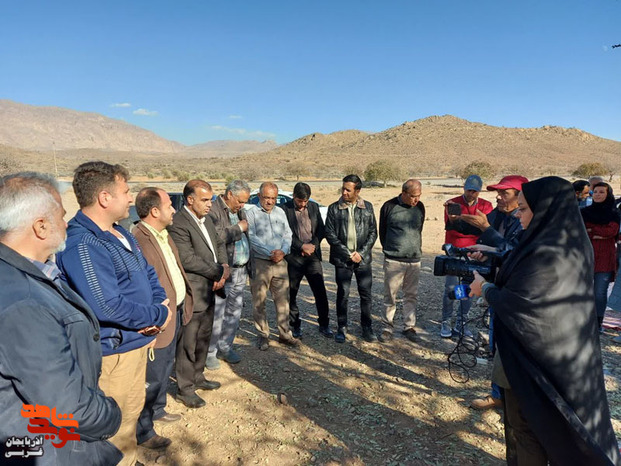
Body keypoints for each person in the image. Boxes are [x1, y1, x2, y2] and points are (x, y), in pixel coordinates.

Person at [469, 176, 620, 466]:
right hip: (566, 359)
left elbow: (521, 305)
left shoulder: (547, 252)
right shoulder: (568, 243)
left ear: (545, 209)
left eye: (523, 208)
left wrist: (484, 289)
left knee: (526, 430)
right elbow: (524, 282)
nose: (518, 215)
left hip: (534, 362)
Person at [0, 172, 122, 466]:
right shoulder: (25, 302)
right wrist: (111, 415)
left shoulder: (24, 272)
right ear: (41, 226)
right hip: (49, 449)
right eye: (62, 216)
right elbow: (67, 406)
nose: (66, 224)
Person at [57, 162, 171, 466]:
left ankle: (128, 460)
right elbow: (106, 306)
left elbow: (148, 274)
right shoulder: (84, 244)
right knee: (112, 423)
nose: (131, 198)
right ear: (105, 198)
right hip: (113, 354)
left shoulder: (120, 233)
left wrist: (158, 308)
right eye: (126, 191)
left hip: (134, 344)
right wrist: (157, 316)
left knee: (130, 413)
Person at [133, 188, 194, 449]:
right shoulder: (140, 239)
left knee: (166, 363)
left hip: (173, 312)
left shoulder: (163, 234)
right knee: (152, 374)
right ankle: (143, 430)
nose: (173, 210)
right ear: (155, 211)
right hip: (158, 318)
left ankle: (157, 409)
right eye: (169, 205)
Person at [461, 174, 528, 411]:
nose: (498, 197)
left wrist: (486, 230)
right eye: (498, 193)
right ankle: (499, 395)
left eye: (504, 193)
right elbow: (500, 250)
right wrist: (485, 253)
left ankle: (514, 399)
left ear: (521, 196)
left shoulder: (525, 221)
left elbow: (515, 252)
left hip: (514, 293)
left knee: (510, 346)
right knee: (497, 342)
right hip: (497, 288)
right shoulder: (499, 215)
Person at [167, 180, 227, 409]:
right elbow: (187, 259)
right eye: (205, 200)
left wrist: (224, 267)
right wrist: (218, 271)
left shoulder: (207, 220)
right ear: (190, 200)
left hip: (210, 288)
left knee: (204, 336)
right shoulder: (179, 223)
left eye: (211, 199)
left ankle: (198, 376)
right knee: (188, 341)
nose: (210, 204)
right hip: (194, 291)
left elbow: (219, 244)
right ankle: (185, 388)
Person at [325, 174, 378, 343]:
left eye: (348, 190)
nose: (344, 192)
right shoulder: (334, 208)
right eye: (343, 189)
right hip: (343, 260)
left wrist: (360, 253)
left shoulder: (367, 207)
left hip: (362, 259)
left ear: (358, 191)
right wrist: (348, 254)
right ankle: (342, 327)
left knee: (366, 295)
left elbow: (373, 233)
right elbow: (330, 234)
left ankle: (367, 327)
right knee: (343, 294)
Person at [246, 182, 299, 350]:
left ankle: (285, 334)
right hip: (260, 263)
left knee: (283, 300)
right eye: (266, 197)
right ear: (259, 196)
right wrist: (270, 252)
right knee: (259, 300)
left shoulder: (280, 212)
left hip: (280, 263)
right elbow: (251, 237)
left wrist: (283, 251)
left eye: (273, 198)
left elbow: (288, 234)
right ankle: (263, 335)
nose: (270, 201)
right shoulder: (251, 214)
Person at [206, 179, 251, 369]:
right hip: (225, 270)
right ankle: (210, 352)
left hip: (241, 269)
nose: (242, 205)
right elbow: (217, 237)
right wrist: (239, 228)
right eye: (240, 201)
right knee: (218, 312)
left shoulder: (238, 210)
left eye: (245, 202)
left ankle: (225, 346)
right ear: (230, 194)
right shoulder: (214, 210)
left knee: (234, 311)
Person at [440, 175, 493, 338]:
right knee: (451, 288)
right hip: (455, 251)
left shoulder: (486, 205)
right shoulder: (453, 203)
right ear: (464, 188)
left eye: (475, 191)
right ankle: (446, 321)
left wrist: (462, 218)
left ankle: (461, 322)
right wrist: (463, 220)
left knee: (468, 289)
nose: (472, 194)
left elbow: (484, 228)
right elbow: (453, 226)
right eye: (469, 190)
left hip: (475, 253)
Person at [282, 182, 333, 338]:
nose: (303, 204)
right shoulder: (284, 209)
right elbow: (284, 233)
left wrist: (313, 246)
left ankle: (324, 324)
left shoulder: (313, 207)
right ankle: (295, 325)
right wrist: (301, 246)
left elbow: (321, 230)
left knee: (320, 292)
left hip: (312, 257)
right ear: (293, 196)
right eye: (300, 201)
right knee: (291, 293)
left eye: (305, 201)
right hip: (294, 258)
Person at [377, 179, 425, 343]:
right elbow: (382, 232)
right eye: (413, 196)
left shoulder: (420, 207)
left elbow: (419, 229)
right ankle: (387, 327)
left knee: (411, 295)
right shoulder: (389, 206)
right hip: (394, 259)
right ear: (403, 193)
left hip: (414, 259)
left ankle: (409, 326)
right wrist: (392, 249)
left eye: (419, 196)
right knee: (390, 295)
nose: (416, 200)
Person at [581, 182, 620, 329]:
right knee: (583, 291)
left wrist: (592, 230)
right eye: (595, 192)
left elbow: (611, 231)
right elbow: (581, 229)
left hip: (605, 257)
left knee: (599, 292)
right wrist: (598, 233)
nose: (597, 194)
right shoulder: (584, 212)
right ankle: (583, 320)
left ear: (608, 194)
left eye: (602, 192)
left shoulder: (614, 213)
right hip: (585, 256)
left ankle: (598, 323)